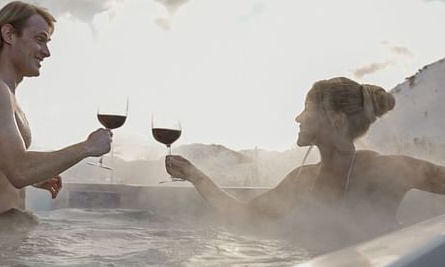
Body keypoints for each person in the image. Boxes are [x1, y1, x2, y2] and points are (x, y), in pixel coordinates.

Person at [166, 77, 445, 253]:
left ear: (335, 119)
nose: (298, 118)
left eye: (307, 109)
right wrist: (195, 175)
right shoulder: (301, 179)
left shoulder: (391, 170)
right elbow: (245, 217)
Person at [0, 0, 112, 222]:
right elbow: (19, 169)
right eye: (40, 40)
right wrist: (87, 147)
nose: (46, 52)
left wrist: (36, 177)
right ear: (9, 34)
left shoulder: (3, 93)